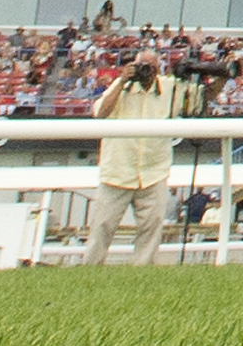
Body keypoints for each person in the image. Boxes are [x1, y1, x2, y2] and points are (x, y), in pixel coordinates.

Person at [86, 47, 208, 265]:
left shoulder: (170, 88)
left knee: (151, 227)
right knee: (102, 225)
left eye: (152, 68)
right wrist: (122, 81)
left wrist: (218, 78)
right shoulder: (121, 87)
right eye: (143, 66)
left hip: (153, 171)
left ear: (159, 69)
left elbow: (198, 104)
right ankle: (91, 267)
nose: (147, 72)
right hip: (118, 170)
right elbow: (100, 113)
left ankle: (141, 271)